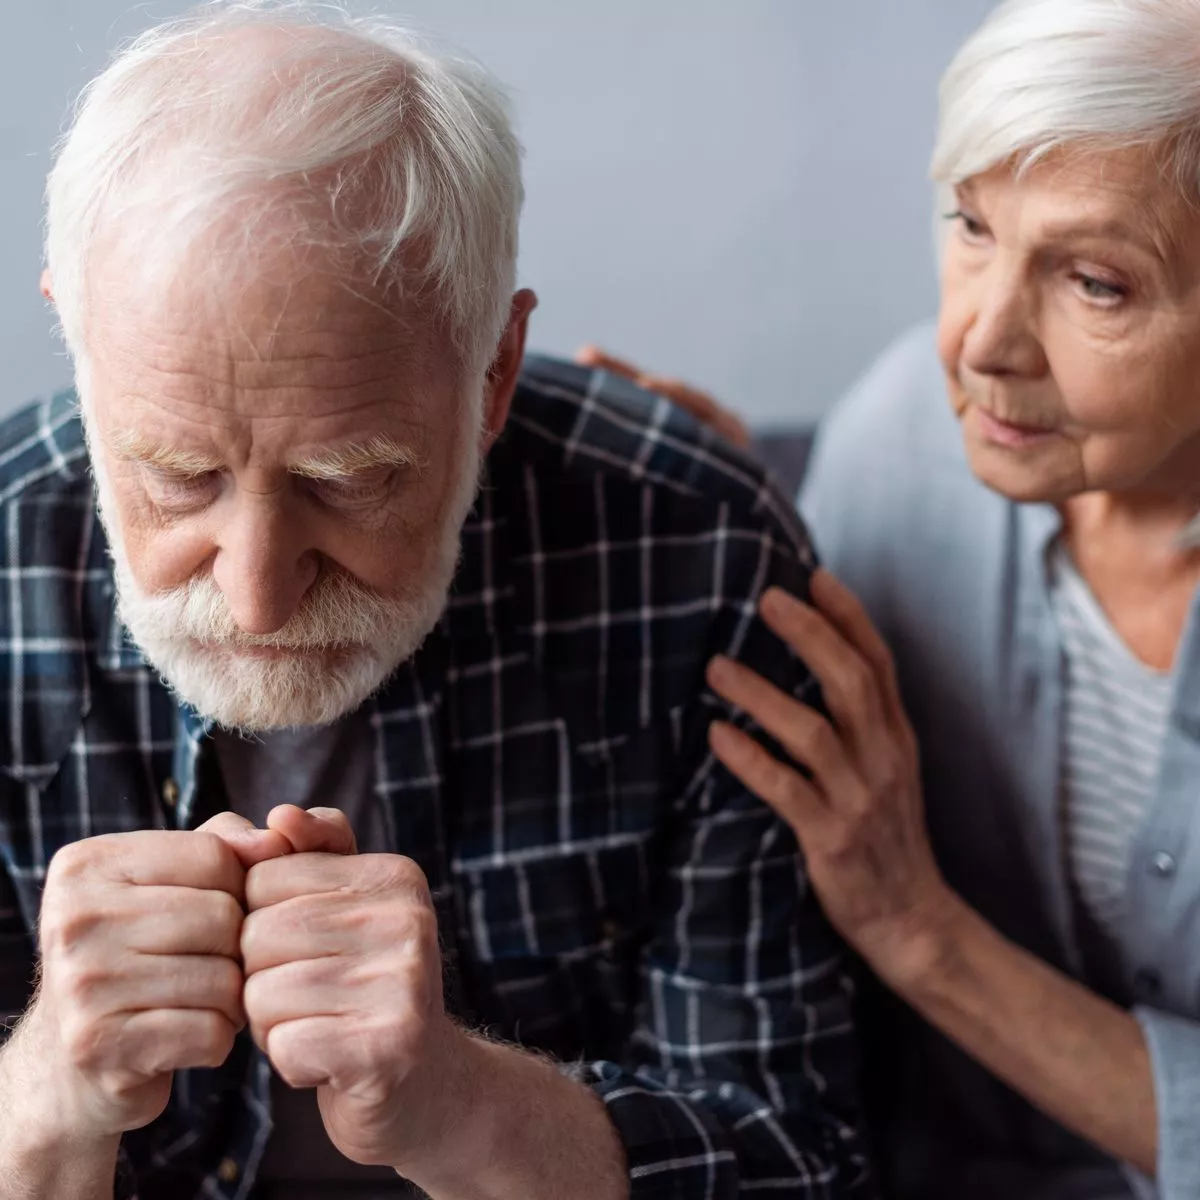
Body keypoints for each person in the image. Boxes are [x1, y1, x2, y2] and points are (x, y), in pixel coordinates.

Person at [0, 5, 871, 1198]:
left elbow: (804, 1165)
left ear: (494, 373)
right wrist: (44, 1100)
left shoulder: (697, 557)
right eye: (176, 474)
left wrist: (465, 1107)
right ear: (76, 341)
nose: (256, 595)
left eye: (348, 481)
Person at [583, 0, 1200, 1196]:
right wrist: (730, 520)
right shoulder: (897, 441)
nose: (979, 341)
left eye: (1096, 282)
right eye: (971, 225)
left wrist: (919, 931)